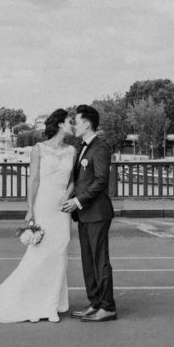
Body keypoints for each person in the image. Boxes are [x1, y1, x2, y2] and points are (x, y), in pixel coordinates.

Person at [0, 108, 75, 323]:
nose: (73, 125)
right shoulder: (39, 149)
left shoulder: (72, 151)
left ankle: (51, 304)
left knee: (59, 253)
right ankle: (32, 301)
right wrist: (30, 208)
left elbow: (73, 180)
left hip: (62, 207)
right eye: (71, 121)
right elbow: (33, 180)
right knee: (40, 254)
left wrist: (67, 196)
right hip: (44, 203)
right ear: (60, 124)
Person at [61, 104, 116, 322]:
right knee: (88, 260)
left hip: (97, 213)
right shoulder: (85, 146)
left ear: (87, 123)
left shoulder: (100, 148)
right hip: (85, 213)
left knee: (100, 260)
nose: (74, 125)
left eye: (76, 121)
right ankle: (95, 303)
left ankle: (108, 306)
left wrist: (76, 201)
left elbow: (101, 181)